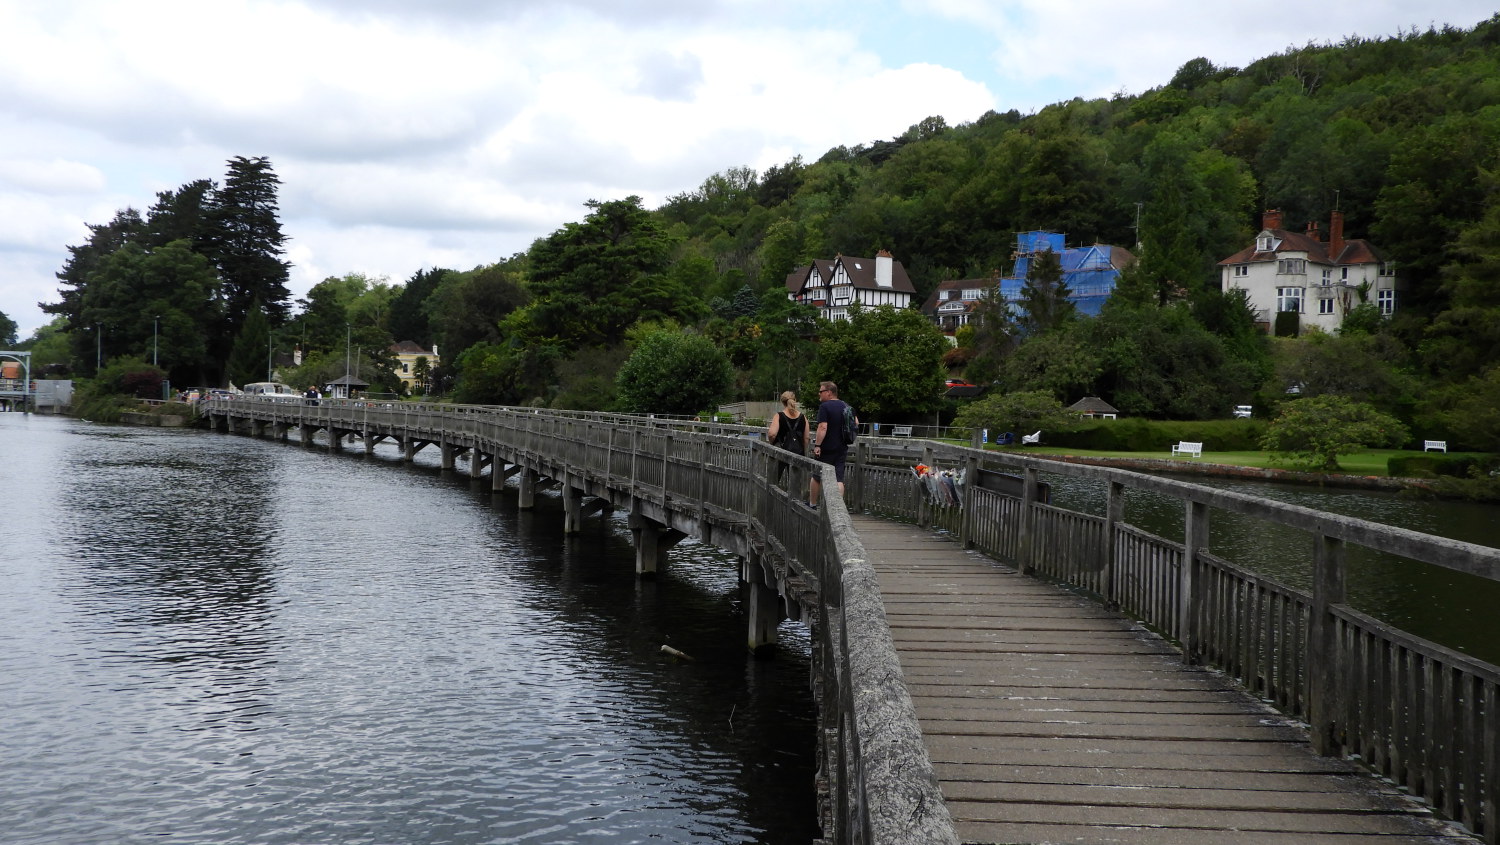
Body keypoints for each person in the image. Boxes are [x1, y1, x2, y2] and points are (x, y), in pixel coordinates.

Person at [809, 380, 855, 507]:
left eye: (821, 391)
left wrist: (817, 445)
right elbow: (855, 422)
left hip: (826, 447)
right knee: (839, 478)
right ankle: (837, 508)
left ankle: (812, 504)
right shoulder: (846, 405)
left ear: (829, 392)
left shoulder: (825, 406)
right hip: (842, 447)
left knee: (817, 476)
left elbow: (823, 427)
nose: (819, 394)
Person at [766, 390, 807, 454]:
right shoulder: (803, 417)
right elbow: (806, 438)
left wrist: (772, 444)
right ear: (794, 400)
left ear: (782, 402)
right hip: (799, 455)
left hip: (782, 453)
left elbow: (772, 434)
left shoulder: (778, 416)